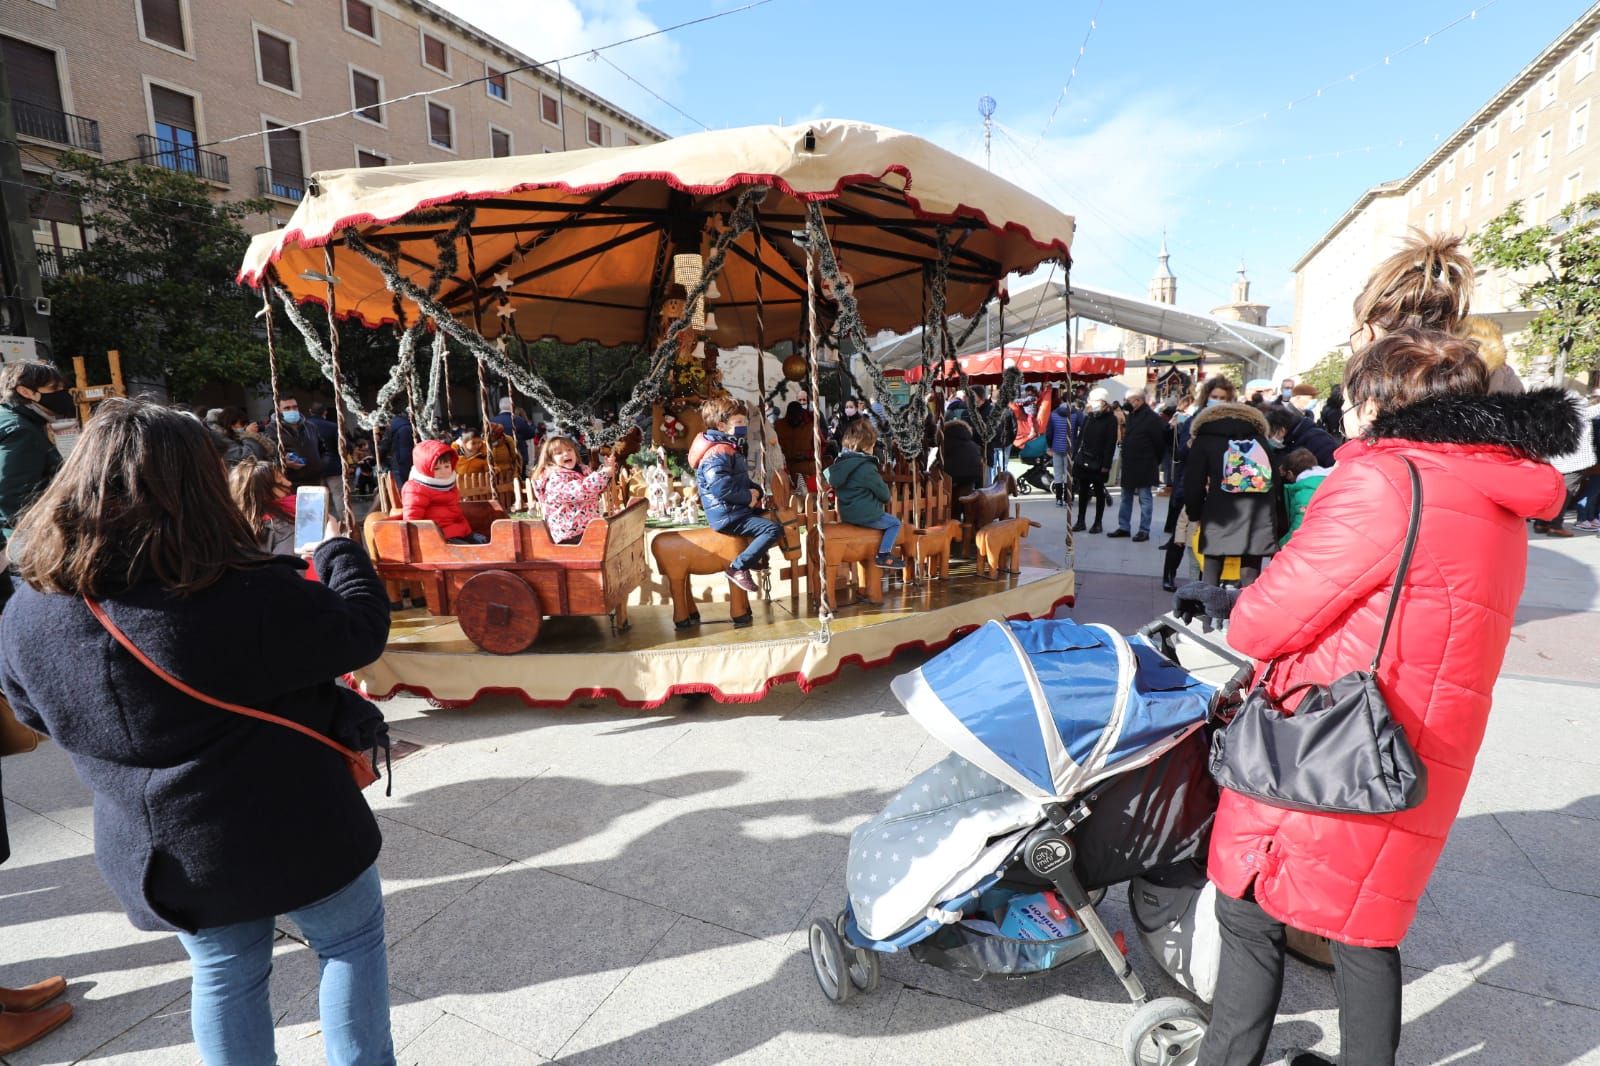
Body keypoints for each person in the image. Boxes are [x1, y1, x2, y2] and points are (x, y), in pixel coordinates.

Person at [1199, 330, 1576, 1066]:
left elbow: (1260, 620)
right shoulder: (1495, 489)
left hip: (1330, 734)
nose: (1345, 408)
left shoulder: (1384, 482)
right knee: (1364, 920)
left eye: (1354, 393)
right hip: (1418, 736)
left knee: (1245, 910)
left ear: (1379, 400)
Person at [0, 399, 396, 1065]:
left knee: (225, 974)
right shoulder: (240, 591)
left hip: (161, 850)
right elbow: (358, 630)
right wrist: (334, 548)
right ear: (197, 487)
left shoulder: (28, 611)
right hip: (295, 824)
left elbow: (35, 715)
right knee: (349, 943)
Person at [689, 396, 781, 603]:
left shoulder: (727, 446)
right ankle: (738, 567)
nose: (744, 426)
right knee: (773, 529)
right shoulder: (718, 451)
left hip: (732, 507)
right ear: (722, 426)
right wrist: (748, 497)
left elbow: (736, 479)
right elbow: (721, 486)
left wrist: (755, 489)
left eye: (744, 422)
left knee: (769, 516)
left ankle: (754, 556)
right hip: (727, 514)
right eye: (739, 423)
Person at [1184, 392, 1278, 588]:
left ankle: (1209, 615)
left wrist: (1195, 514)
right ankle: (1244, 616)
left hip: (1219, 512)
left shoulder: (1205, 438)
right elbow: (1274, 478)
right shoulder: (1259, 439)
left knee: (1211, 569)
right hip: (1258, 514)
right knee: (1250, 575)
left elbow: (1194, 481)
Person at [0, 362, 69, 548]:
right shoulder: (21, 431)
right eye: (54, 388)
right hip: (24, 539)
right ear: (26, 392)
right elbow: (13, 498)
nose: (63, 394)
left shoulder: (10, 420)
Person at [824, 419, 905, 571]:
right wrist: (887, 497)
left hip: (847, 515)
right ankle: (884, 555)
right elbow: (883, 493)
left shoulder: (839, 464)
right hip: (867, 516)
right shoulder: (866, 467)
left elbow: (830, 480)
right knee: (894, 523)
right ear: (867, 447)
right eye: (873, 446)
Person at [530, 435, 616, 545]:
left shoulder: (582, 469)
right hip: (569, 532)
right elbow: (579, 491)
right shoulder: (554, 478)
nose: (566, 454)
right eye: (559, 453)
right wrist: (603, 475)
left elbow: (594, 489)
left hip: (586, 527)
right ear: (550, 460)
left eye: (569, 450)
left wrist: (605, 473)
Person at [1535, 390, 1597, 537]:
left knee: (1553, 494)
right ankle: (1555, 526)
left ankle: (1541, 523)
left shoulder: (1554, 416)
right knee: (1565, 494)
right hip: (1574, 463)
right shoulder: (1579, 413)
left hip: (1556, 461)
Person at [1106, 391, 1166, 542]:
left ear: (1138, 401)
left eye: (1129, 400)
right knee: (1126, 497)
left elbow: (1160, 443)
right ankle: (1124, 527)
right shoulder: (1131, 415)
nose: (1126, 402)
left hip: (1145, 463)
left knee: (1145, 498)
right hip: (1130, 464)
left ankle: (1144, 530)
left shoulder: (1152, 418)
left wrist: (1155, 461)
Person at [401, 440, 485, 545]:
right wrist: (426, 541)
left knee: (483, 543)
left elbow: (457, 513)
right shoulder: (417, 489)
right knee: (469, 552)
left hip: (455, 532)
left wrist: (469, 533)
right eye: (437, 468)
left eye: (447, 466)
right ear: (425, 469)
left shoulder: (448, 485)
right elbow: (412, 518)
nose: (444, 471)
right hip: (437, 536)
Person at [1070, 388, 1118, 534]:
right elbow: (1081, 438)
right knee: (1083, 491)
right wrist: (1074, 456)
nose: (1092, 403)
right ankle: (1080, 520)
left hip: (1099, 461)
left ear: (1104, 402)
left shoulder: (1111, 419)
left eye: (1095, 401)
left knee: (1099, 492)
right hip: (1083, 459)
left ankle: (1098, 522)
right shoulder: (1088, 417)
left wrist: (1106, 465)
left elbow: (1111, 443)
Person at [229, 459, 298, 555]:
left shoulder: (232, 527)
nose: (289, 483)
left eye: (283, 477)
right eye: (280, 482)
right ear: (263, 494)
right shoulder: (286, 527)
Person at [1276, 447, 1331, 547]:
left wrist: (1280, 545)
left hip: (1315, 544)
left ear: (1290, 473)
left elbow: (1299, 526)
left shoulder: (1304, 492)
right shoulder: (1328, 479)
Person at [269, 397, 326, 488]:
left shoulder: (310, 426)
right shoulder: (271, 430)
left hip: (315, 481)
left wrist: (321, 465)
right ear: (278, 410)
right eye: (287, 408)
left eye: (295, 407)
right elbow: (267, 459)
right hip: (290, 484)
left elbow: (323, 449)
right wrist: (283, 463)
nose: (292, 410)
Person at [1264, 403, 1340, 468]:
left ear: (1281, 430)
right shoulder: (1291, 441)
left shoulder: (1317, 439)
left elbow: (1334, 465)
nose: (1269, 439)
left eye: (1270, 436)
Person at [939, 419, 984, 513]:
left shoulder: (945, 443)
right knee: (965, 490)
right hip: (972, 477)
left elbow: (939, 461)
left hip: (952, 477)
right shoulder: (974, 445)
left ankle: (954, 516)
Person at [309, 406, 345, 500]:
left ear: (310, 411)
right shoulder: (333, 426)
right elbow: (342, 446)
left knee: (316, 498)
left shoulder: (305, 426)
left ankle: (319, 515)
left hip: (313, 466)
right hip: (333, 465)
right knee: (339, 496)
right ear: (325, 412)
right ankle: (344, 515)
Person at [490, 396, 536, 468]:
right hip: (518, 456)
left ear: (500, 407)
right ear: (512, 406)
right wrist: (530, 425)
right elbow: (531, 434)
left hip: (498, 458)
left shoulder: (492, 421)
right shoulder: (519, 420)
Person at [1047, 394, 1075, 507]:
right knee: (1068, 474)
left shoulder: (1053, 414)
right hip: (1070, 448)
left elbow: (1049, 433)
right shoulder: (1075, 414)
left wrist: (1050, 446)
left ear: (1061, 401)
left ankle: (1058, 499)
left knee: (1058, 473)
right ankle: (1068, 497)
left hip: (1056, 447)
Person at [379, 412, 415, 486]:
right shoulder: (411, 425)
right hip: (413, 458)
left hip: (398, 460)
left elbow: (384, 446)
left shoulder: (391, 427)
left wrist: (381, 460)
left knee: (402, 485)